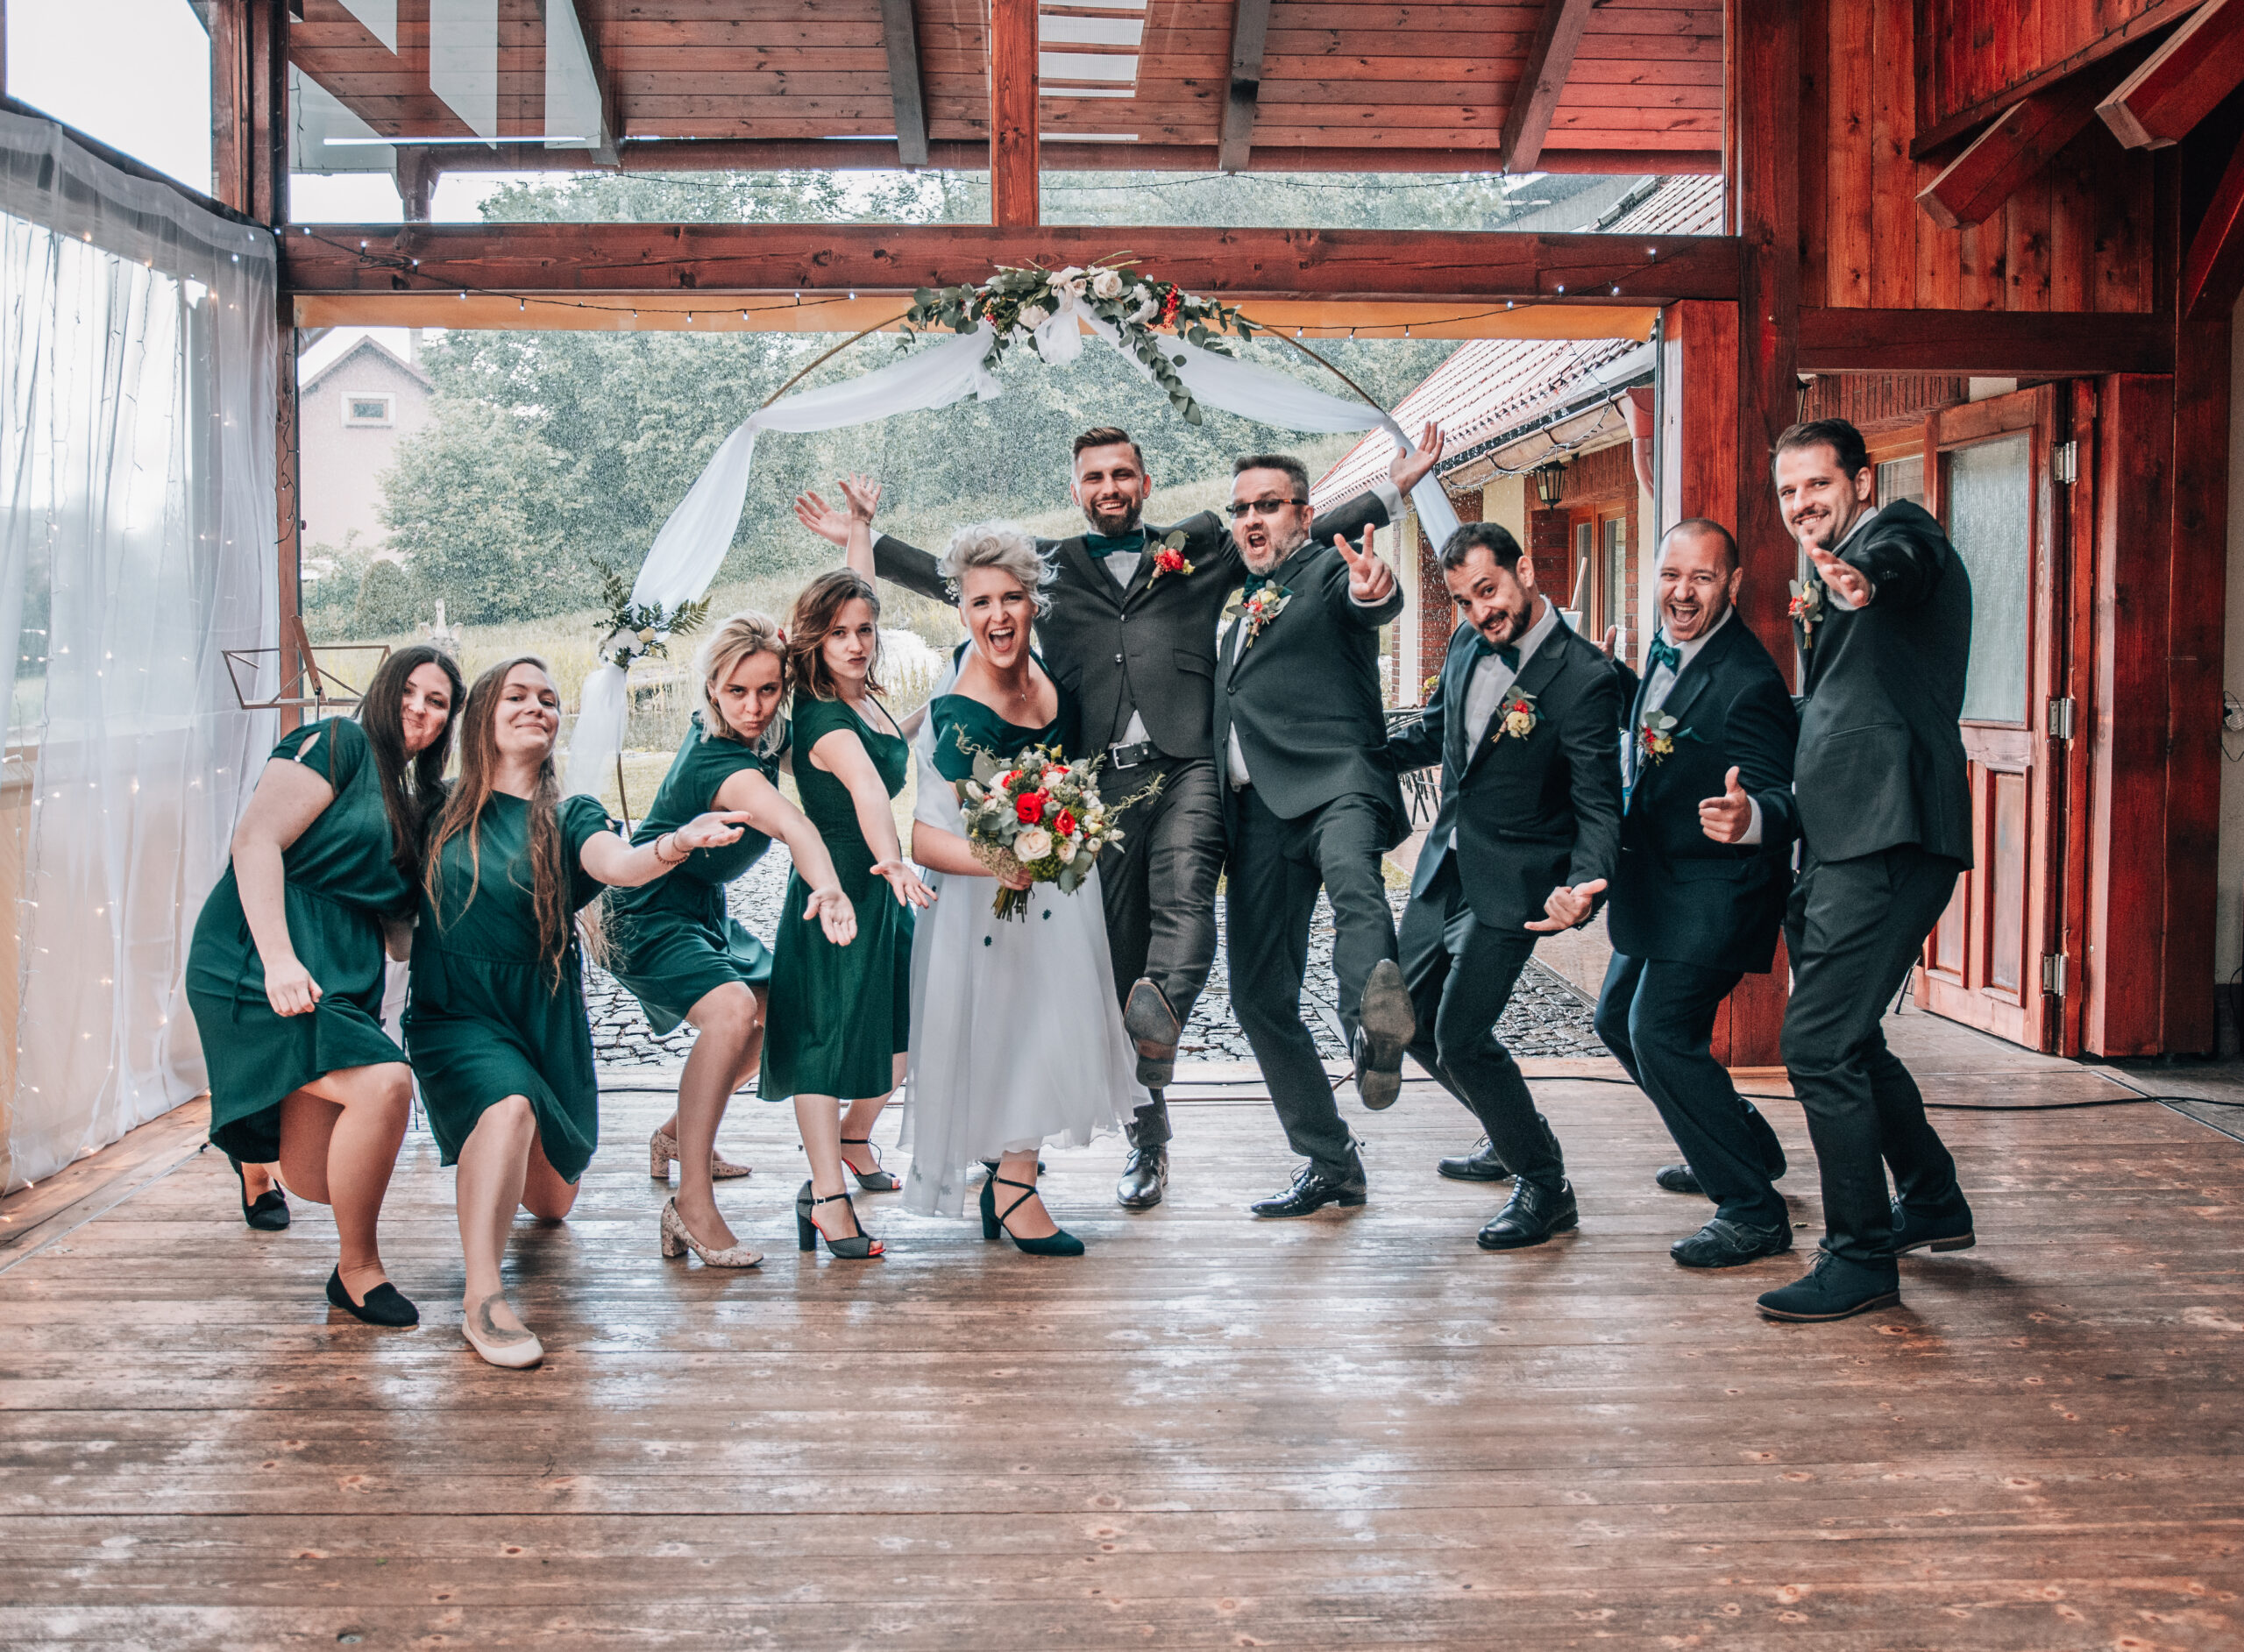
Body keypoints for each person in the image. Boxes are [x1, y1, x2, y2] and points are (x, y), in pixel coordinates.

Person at [820, 423, 1444, 1210]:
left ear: (1145, 483)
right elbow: (963, 582)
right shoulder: (1047, 569)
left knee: (1186, 896)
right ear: (1076, 488)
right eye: (1094, 477)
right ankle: (1146, 1139)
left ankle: (1179, 1013)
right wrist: (867, 540)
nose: (1109, 487)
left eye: (1122, 474)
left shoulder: (1202, 544)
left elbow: (1298, 531)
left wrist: (1392, 490)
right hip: (1096, 789)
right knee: (1116, 962)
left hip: (1188, 765)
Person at [407, 656, 755, 1367]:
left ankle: (510, 1156)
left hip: (544, 1020)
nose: (536, 706)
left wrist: (676, 842)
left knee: (553, 1203)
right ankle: (483, 1299)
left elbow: (619, 864)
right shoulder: (433, 808)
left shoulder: (571, 816)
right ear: (483, 714)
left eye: (548, 698)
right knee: (506, 1106)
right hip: (457, 1014)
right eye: (517, 695)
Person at [1748, 418, 1975, 1322]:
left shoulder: (1898, 534)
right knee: (1850, 1037)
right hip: (1839, 836)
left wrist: (1863, 577)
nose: (1802, 503)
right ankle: (1931, 1198)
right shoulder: (1822, 569)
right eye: (1788, 491)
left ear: (1863, 481)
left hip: (1892, 829)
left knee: (1814, 1046)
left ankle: (1859, 1257)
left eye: (1817, 483)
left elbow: (1903, 561)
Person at [877, 519, 1143, 1253]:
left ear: (1033, 601)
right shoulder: (961, 712)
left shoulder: (1035, 663)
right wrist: (1006, 864)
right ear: (962, 611)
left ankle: (1008, 1176)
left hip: (1052, 888)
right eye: (980, 603)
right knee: (1020, 1034)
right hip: (989, 901)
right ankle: (1017, 1189)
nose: (997, 616)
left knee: (1042, 1030)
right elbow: (924, 839)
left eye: (1011, 598)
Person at [185, 643, 464, 1326]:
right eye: (409, 690)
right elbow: (254, 840)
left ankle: (255, 1159)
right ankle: (357, 1271)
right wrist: (279, 960)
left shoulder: (418, 802)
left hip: (341, 973)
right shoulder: (338, 742)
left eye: (437, 702)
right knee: (386, 1084)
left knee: (314, 1177)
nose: (418, 709)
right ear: (384, 689)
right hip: (258, 955)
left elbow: (400, 932)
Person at [1388, 523, 1621, 1249]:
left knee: (1460, 1037)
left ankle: (1546, 1186)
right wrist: (1355, 750)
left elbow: (1597, 802)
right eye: (1463, 600)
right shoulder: (1465, 643)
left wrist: (1584, 884)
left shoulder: (1585, 676)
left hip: (1516, 881)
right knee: (1404, 1019)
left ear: (1525, 570)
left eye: (1487, 591)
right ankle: (1511, 1125)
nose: (1478, 612)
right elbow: (1436, 733)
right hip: (1444, 865)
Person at [604, 613, 858, 1267]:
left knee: (780, 1012)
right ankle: (690, 1203)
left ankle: (677, 1135)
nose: (753, 707)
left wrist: (907, 726)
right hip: (647, 909)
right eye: (737, 691)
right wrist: (830, 890)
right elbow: (796, 827)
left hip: (697, 908)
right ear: (712, 688)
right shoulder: (723, 763)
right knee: (732, 1011)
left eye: (768, 690)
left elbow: (842, 743)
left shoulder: (760, 735)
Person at [1591, 520, 1800, 1269]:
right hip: (1660, 883)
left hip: (1719, 891)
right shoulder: (1667, 648)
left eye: (1702, 578)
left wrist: (1751, 817)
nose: (1683, 592)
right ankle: (1738, 1140)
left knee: (1658, 1033)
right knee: (1616, 1021)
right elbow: (1666, 727)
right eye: (1672, 575)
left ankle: (1752, 1209)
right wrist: (1614, 680)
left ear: (1733, 586)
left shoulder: (1749, 681)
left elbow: (1782, 795)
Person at [1212, 453, 1416, 1219]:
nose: (1252, 519)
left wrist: (1376, 588)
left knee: (1357, 889)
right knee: (1258, 995)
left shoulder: (1330, 572)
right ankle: (1332, 1163)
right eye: (1241, 508)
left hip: (1336, 783)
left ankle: (1374, 1029)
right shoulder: (1241, 599)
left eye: (1269, 505)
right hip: (1260, 813)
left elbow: (1369, 599)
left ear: (1304, 515)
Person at [760, 558, 935, 1261]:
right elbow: (866, 786)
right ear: (815, 640)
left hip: (877, 887)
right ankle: (827, 1197)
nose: (856, 643)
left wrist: (941, 706)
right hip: (837, 887)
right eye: (838, 633)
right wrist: (894, 859)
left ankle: (855, 1137)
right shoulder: (825, 717)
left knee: (909, 1027)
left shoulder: (864, 698)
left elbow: (889, 746)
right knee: (823, 1044)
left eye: (864, 629)